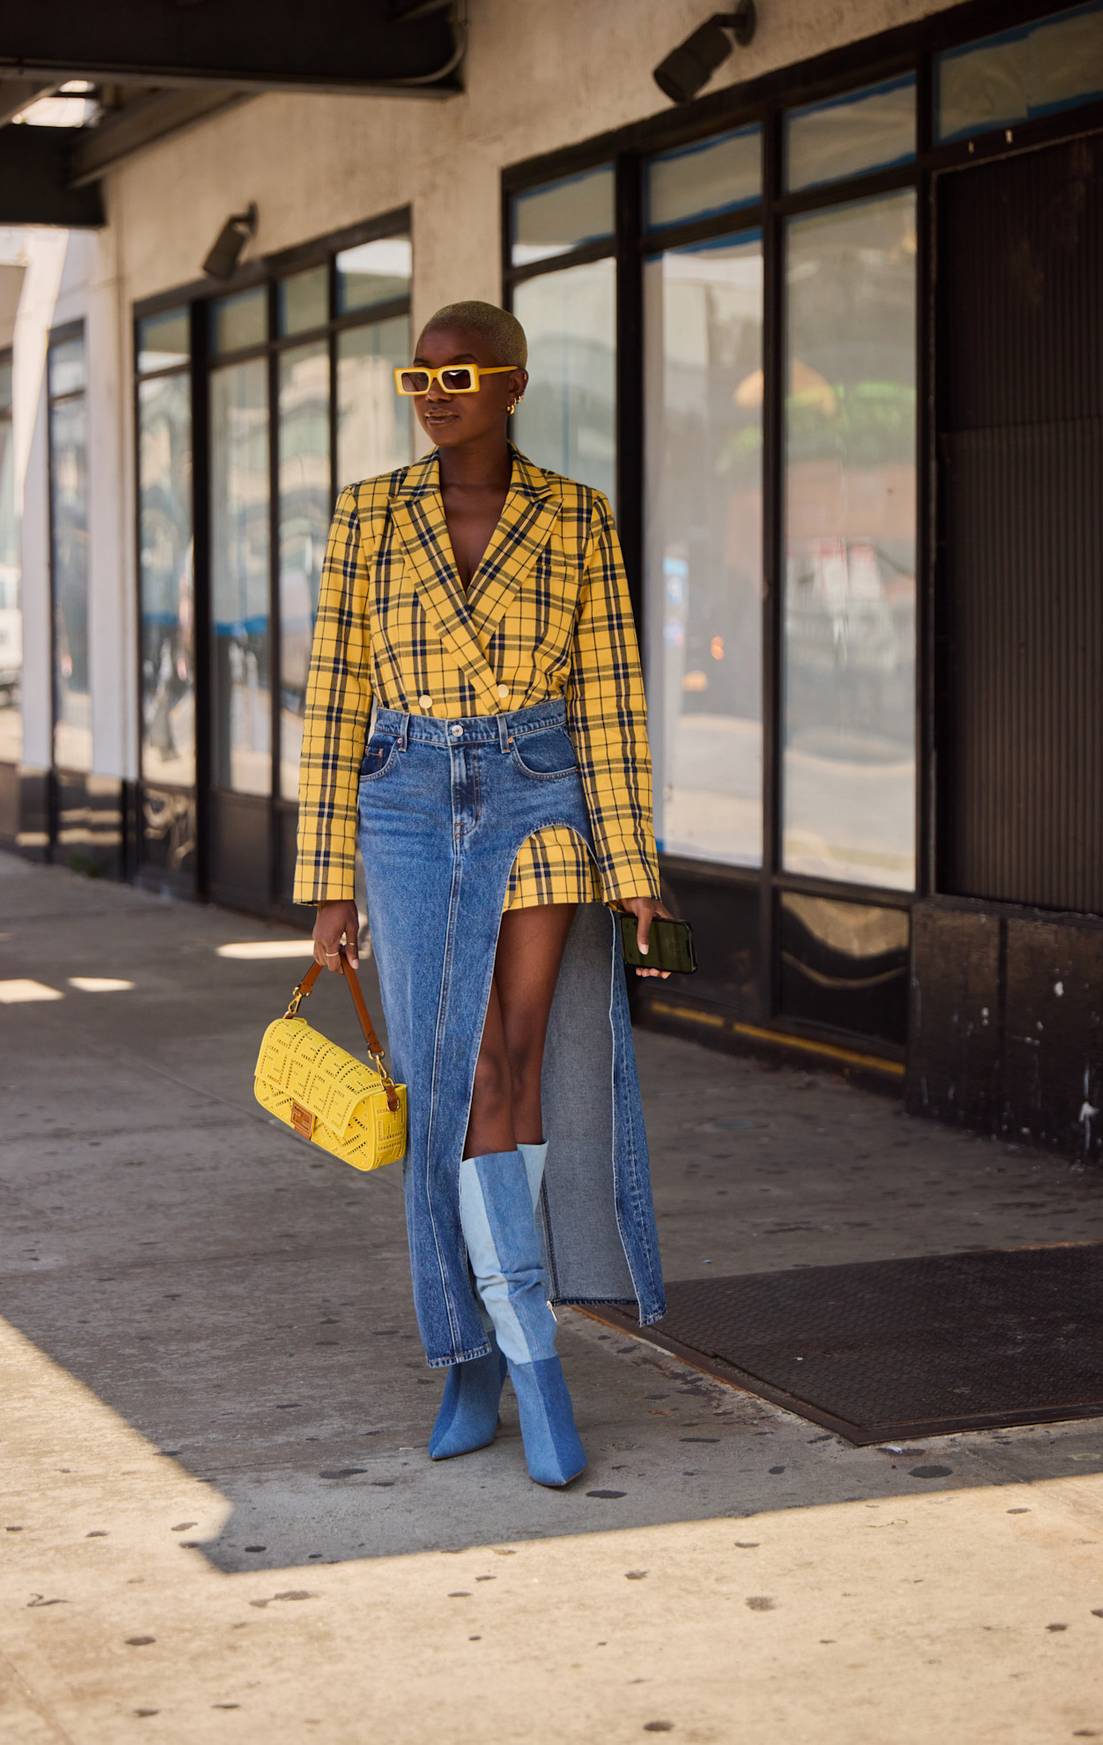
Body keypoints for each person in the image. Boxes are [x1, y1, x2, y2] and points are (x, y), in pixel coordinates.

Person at [294, 299, 672, 1489]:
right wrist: (324, 885)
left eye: (463, 372)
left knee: (508, 1061)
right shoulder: (368, 513)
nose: (437, 389)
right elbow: (333, 695)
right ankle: (484, 1351)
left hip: (538, 791)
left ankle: (525, 1354)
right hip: (403, 800)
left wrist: (636, 869)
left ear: (514, 385)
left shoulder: (575, 515)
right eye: (421, 373)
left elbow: (611, 695)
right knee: (445, 1082)